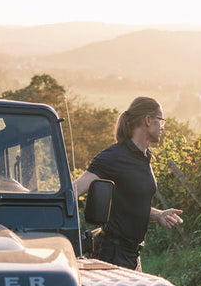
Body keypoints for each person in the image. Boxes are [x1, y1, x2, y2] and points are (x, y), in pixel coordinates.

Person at [73, 96, 184, 271]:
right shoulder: (113, 157)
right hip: (112, 254)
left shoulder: (145, 157)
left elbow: (131, 205)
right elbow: (74, 190)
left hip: (133, 255)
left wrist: (159, 215)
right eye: (160, 120)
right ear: (148, 120)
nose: (163, 127)